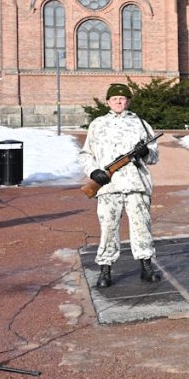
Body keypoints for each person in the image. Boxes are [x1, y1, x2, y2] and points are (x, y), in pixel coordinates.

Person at [79, 82, 160, 289]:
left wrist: (145, 153)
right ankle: (105, 269)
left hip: (136, 184)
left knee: (142, 226)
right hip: (108, 186)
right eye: (115, 98)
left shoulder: (140, 123)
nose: (119, 101)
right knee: (108, 228)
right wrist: (93, 172)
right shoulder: (98, 124)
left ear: (128, 101)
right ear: (108, 102)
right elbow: (86, 154)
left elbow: (154, 155)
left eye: (122, 99)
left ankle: (146, 265)